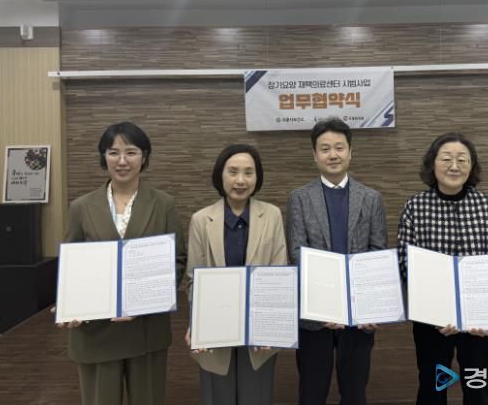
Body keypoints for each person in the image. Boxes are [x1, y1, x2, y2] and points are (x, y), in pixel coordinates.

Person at [59, 121, 187, 405]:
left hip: (146, 329)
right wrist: (69, 303)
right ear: (103, 156)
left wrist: (145, 302)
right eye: (113, 152)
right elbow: (72, 265)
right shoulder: (81, 207)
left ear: (144, 156)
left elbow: (177, 261)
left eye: (131, 152)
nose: (122, 161)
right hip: (95, 331)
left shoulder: (163, 203)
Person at [397, 132, 488, 405]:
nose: (454, 166)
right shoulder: (415, 207)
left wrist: (486, 313)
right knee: (432, 388)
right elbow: (406, 263)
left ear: (472, 166)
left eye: (462, 159)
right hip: (432, 321)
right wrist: (438, 312)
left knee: (478, 390)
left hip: (480, 321)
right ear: (432, 163)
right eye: (446, 159)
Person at [286, 117, 387, 405]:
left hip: (358, 316)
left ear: (350, 152)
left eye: (339, 148)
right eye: (325, 148)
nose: (333, 155)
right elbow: (297, 254)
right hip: (315, 318)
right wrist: (323, 306)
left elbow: (377, 253)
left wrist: (370, 305)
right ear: (314, 155)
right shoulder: (299, 198)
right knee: (311, 392)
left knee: (355, 393)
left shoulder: (371, 198)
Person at [185, 144, 287, 405]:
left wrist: (271, 327)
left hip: (260, 333)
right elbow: (194, 279)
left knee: (256, 397)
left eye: (248, 173)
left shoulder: (272, 215)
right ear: (220, 175)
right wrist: (197, 324)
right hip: (214, 330)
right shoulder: (201, 220)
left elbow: (279, 274)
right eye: (233, 172)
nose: (240, 180)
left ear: (257, 177)